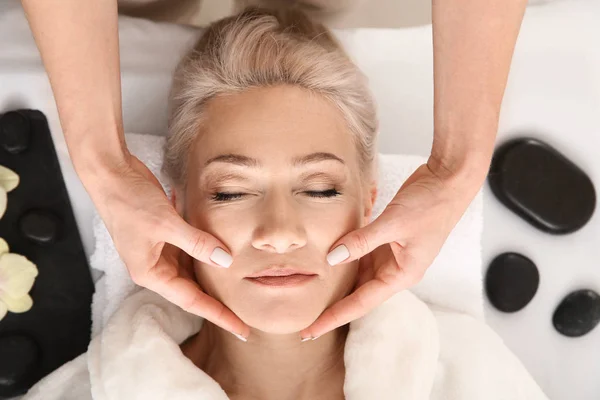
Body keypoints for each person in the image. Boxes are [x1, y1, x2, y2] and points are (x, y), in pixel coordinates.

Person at [23, 9, 548, 400]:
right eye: (230, 192)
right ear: (175, 210)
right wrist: (106, 167)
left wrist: (455, 169)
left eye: (320, 190)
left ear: (369, 205)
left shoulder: (473, 376)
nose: (278, 232)